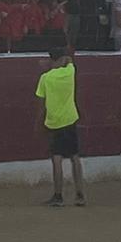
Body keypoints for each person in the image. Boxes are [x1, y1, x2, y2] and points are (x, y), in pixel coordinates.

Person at [34, 47, 85, 206]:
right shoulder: (70, 72)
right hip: (70, 119)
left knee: (57, 158)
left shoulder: (45, 78)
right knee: (75, 157)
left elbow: (41, 106)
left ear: (51, 59)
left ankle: (58, 196)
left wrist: (38, 123)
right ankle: (80, 194)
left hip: (54, 121)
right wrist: (61, 60)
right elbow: (70, 60)